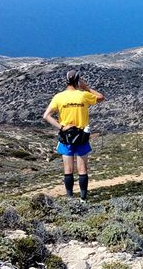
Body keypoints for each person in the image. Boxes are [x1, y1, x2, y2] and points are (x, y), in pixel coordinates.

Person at [42, 70, 105, 200]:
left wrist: (62, 127)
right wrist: (86, 87)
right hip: (82, 136)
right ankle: (83, 199)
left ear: (66, 81)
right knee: (82, 170)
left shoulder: (59, 97)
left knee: (68, 170)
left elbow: (46, 116)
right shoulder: (83, 95)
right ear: (77, 81)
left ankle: (70, 199)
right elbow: (101, 97)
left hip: (66, 137)